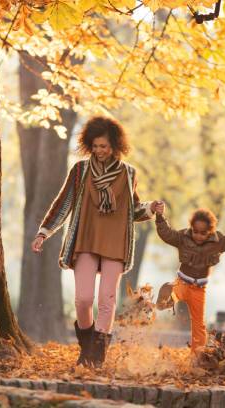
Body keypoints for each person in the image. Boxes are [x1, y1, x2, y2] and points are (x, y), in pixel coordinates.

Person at [31, 116, 158, 368]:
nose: (100, 151)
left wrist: (151, 208)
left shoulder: (128, 173)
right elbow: (64, 203)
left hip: (115, 244)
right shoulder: (80, 170)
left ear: (115, 146)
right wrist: (44, 231)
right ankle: (87, 344)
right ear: (90, 144)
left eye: (105, 146)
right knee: (83, 299)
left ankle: (97, 356)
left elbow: (132, 210)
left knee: (107, 299)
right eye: (96, 146)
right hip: (85, 240)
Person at [154, 204, 225, 353]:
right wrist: (159, 217)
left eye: (202, 233)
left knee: (198, 324)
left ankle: (197, 355)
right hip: (182, 282)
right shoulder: (183, 238)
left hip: (199, 290)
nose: (198, 236)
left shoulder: (217, 243)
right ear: (191, 228)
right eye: (195, 231)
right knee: (172, 296)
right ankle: (165, 296)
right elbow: (167, 234)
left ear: (210, 232)